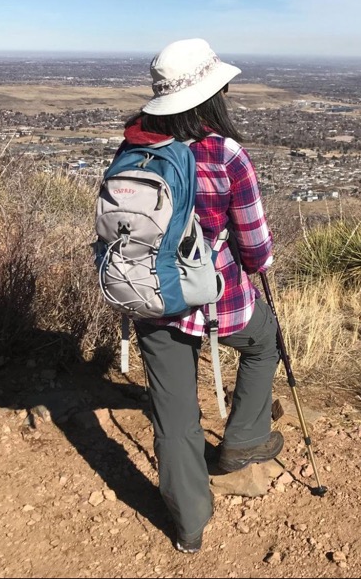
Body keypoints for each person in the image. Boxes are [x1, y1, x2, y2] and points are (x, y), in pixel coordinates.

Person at [120, 39, 282, 554]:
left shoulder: (134, 148)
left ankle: (189, 526)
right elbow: (254, 246)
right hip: (215, 300)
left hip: (148, 297)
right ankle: (243, 440)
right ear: (212, 96)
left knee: (174, 417)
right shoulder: (225, 153)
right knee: (264, 341)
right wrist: (259, 267)